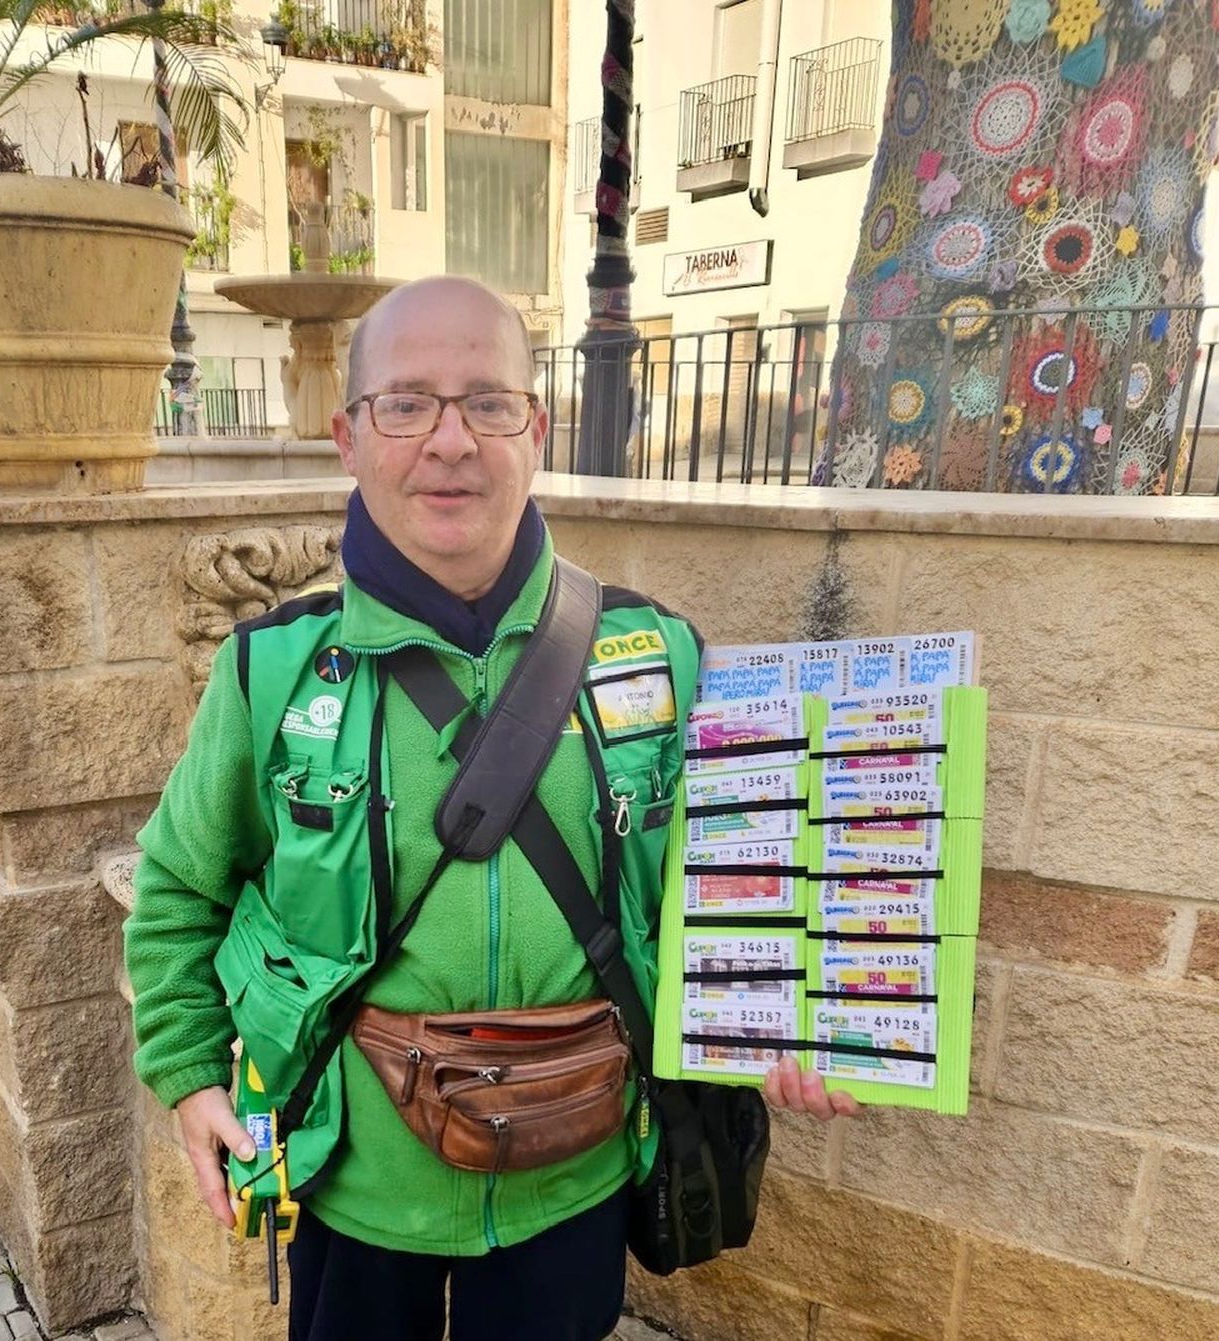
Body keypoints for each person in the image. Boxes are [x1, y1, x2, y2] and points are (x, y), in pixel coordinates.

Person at [125, 276, 858, 1341]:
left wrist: (789, 1018)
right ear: (348, 434)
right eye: (407, 402)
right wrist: (191, 1073)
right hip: (351, 1172)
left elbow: (738, 894)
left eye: (486, 401)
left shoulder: (659, 654)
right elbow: (179, 889)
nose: (449, 439)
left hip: (575, 1173)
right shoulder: (273, 672)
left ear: (536, 427)